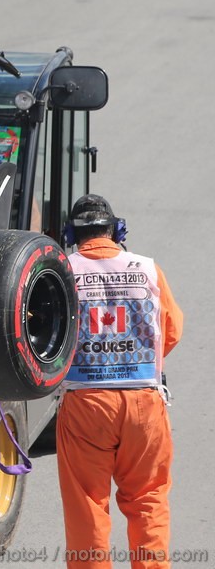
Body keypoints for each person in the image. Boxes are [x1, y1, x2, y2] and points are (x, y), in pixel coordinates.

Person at [57, 193, 183, 569]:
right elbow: (171, 331)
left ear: (71, 233)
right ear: (116, 230)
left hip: (85, 404)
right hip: (145, 403)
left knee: (88, 507)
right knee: (148, 500)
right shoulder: (147, 269)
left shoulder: (60, 271)